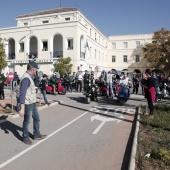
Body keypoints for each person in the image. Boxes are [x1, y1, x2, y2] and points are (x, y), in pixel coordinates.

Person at [19, 61, 47, 145]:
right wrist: (22, 108)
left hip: (32, 102)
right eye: (36, 70)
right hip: (27, 104)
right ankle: (25, 137)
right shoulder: (26, 78)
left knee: (37, 117)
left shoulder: (30, 77)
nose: (37, 71)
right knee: (27, 121)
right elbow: (22, 93)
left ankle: (37, 134)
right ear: (33, 69)